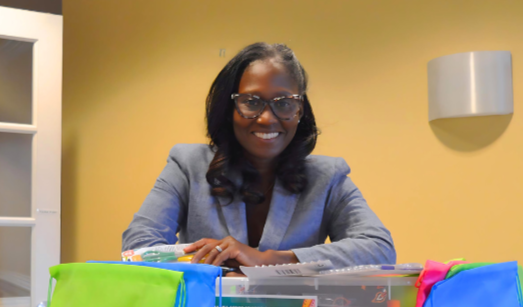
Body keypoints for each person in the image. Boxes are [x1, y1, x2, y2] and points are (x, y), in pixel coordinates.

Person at [122, 42, 396, 270]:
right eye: (251, 102)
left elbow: (379, 249)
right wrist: (218, 273)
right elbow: (139, 246)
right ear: (228, 109)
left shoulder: (326, 177)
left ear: (299, 111)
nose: (267, 118)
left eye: (284, 103)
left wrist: (270, 261)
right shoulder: (187, 165)